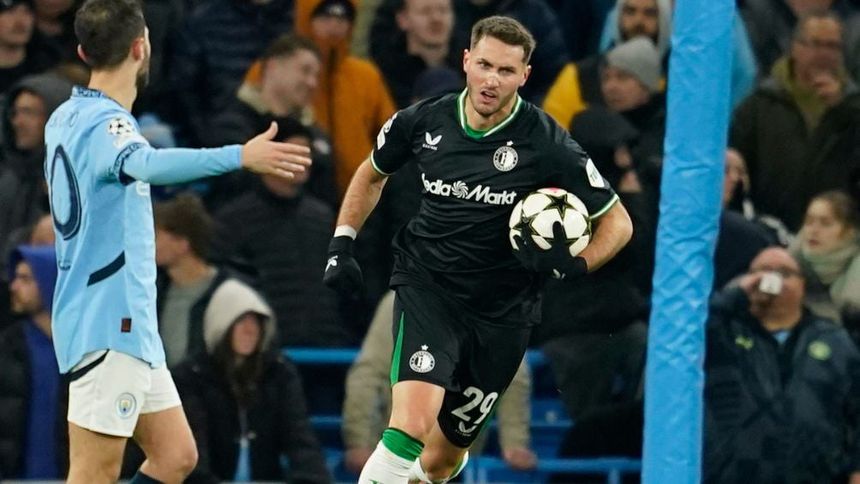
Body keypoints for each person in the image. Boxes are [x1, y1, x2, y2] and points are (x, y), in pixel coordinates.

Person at [323, 15, 633, 483]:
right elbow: (371, 173)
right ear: (466, 61)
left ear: (524, 75)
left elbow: (618, 221)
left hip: (502, 313)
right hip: (428, 289)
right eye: (485, 65)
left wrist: (576, 264)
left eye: (506, 71)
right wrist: (342, 241)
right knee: (409, 425)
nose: (492, 80)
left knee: (441, 461)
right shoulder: (424, 120)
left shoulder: (546, 142)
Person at [44, 1, 312, 482]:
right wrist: (240, 155)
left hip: (128, 324)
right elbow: (146, 163)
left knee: (176, 456)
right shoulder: (109, 126)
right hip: (108, 320)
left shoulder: (64, 117)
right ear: (140, 48)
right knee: (94, 471)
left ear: (84, 52)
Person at [704, 247, 860, 483]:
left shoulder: (834, 340)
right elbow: (685, 326)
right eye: (761, 271)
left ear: (803, 285)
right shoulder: (723, 332)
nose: (771, 279)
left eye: (784, 273)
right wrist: (737, 295)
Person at [342, 291, 537, 475]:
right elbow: (368, 375)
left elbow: (512, 374)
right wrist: (360, 442)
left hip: (456, 453)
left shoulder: (497, 300)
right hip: (408, 447)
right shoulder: (402, 297)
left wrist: (515, 444)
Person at [173, 279, 331, 483]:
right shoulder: (191, 377)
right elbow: (193, 453)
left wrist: (312, 479)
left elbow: (300, 439)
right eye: (241, 320)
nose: (250, 329)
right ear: (220, 324)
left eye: (256, 321)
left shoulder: (279, 373)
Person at [730, 11, 860, 230]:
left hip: (840, 233)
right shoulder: (759, 106)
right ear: (795, 47)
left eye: (832, 46)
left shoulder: (853, 106)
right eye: (816, 44)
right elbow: (738, 171)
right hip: (771, 229)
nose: (824, 54)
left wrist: (845, 108)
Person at [0, 245, 66, 479]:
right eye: (16, 278)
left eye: (26, 279)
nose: (14, 286)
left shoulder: (86, 351)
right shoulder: (8, 347)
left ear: (50, 281)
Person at [790, 190, 860, 324]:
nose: (813, 230)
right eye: (809, 222)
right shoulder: (783, 271)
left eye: (826, 223)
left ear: (849, 232)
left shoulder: (854, 289)